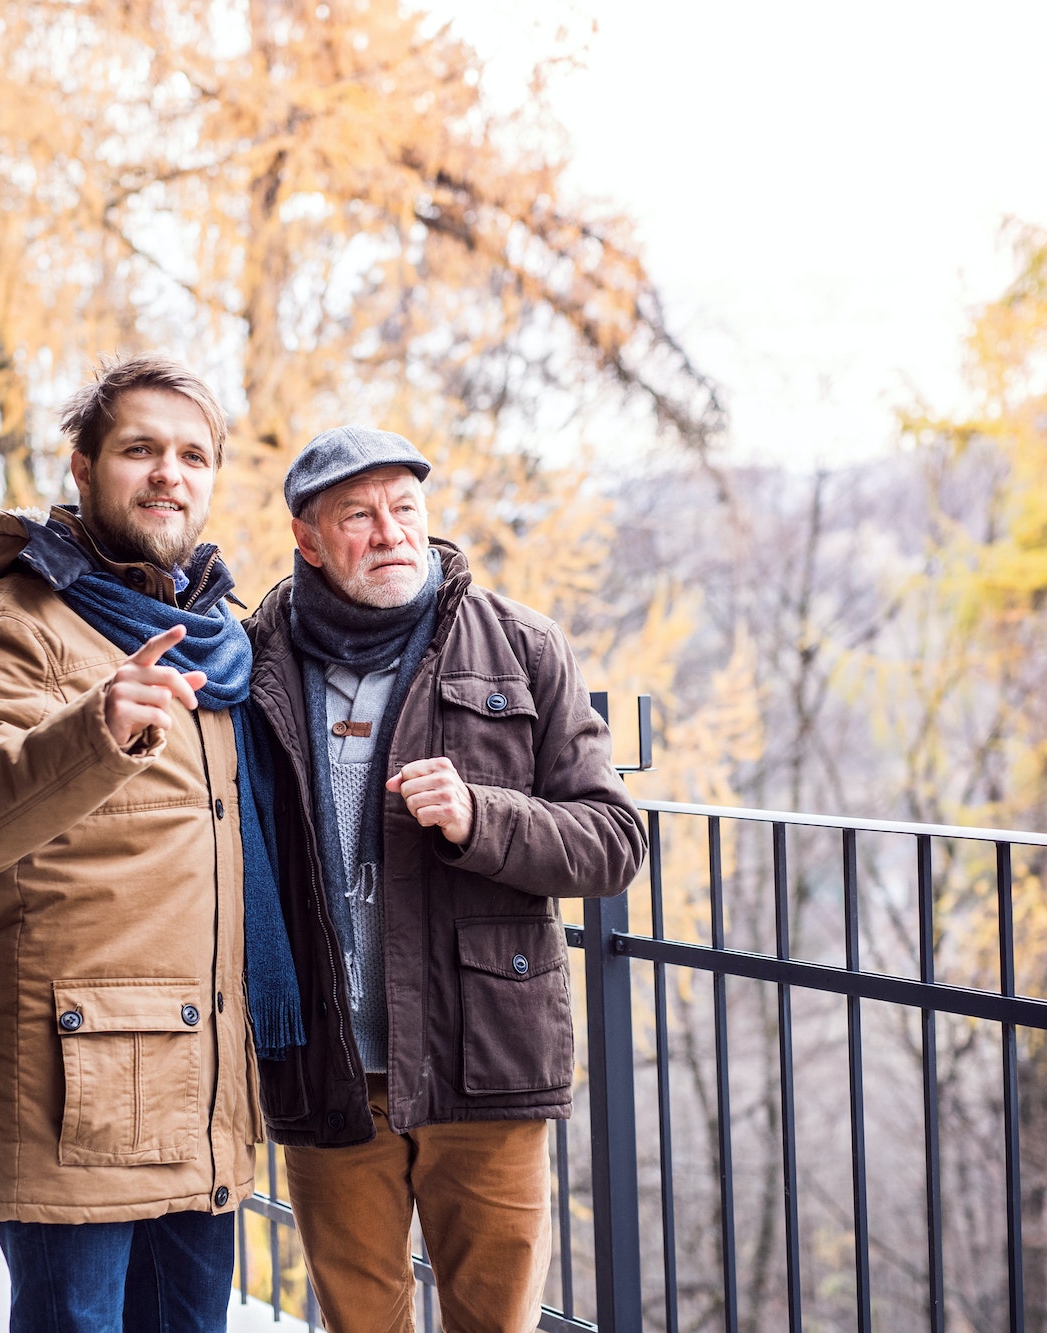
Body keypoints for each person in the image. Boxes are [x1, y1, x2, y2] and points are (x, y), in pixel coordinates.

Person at [0, 355, 300, 1332]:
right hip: (78, 1088)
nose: (169, 472)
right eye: (139, 449)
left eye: (192, 455)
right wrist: (94, 731)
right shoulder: (11, 627)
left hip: (200, 1074)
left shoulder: (216, 638)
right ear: (82, 470)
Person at [242, 426, 646, 1332]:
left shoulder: (521, 646)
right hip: (329, 1071)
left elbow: (614, 839)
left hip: (484, 1064)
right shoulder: (254, 659)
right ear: (308, 538)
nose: (390, 533)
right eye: (359, 516)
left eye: (405, 509)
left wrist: (481, 817)